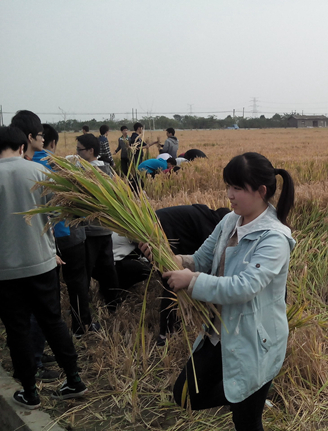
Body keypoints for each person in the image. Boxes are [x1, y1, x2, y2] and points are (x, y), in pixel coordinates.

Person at [140, 152, 296, 430]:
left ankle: (246, 396)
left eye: (237, 188)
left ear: (261, 191)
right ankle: (241, 394)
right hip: (219, 333)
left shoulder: (274, 238)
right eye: (228, 186)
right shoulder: (229, 222)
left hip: (253, 340)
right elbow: (200, 260)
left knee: (246, 423)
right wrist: (167, 258)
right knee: (186, 395)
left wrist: (191, 281)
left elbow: (245, 286)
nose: (229, 195)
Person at [0, 124, 87, 409]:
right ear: (23, 146)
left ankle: (29, 392)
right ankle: (74, 380)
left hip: (6, 272)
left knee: (18, 330)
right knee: (52, 321)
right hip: (43, 264)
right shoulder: (39, 173)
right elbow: (57, 215)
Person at [33, 124, 91, 359]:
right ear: (53, 143)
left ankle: (46, 333)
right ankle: (79, 326)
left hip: (38, 239)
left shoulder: (25, 163)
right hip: (66, 234)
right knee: (77, 280)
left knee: (48, 291)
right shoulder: (58, 164)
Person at [154, 205, 231, 345]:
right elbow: (208, 260)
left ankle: (174, 322)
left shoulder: (203, 216)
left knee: (173, 277)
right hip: (160, 229)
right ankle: (164, 334)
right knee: (170, 281)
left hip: (157, 226)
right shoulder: (211, 225)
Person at [76, 134, 120, 316]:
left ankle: (83, 310)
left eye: (79, 150)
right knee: (108, 268)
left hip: (90, 230)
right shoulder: (108, 168)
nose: (77, 153)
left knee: (85, 271)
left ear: (91, 150)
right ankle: (114, 304)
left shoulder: (84, 172)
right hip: (105, 228)